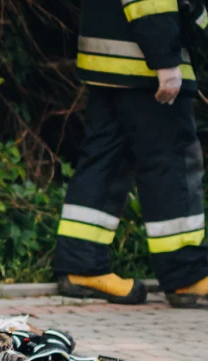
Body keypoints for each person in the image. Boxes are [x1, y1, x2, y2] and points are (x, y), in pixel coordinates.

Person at [53, 0, 208, 308]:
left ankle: (83, 266)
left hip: (111, 64)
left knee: (105, 163)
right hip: (147, 65)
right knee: (172, 165)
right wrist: (165, 59)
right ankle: (187, 274)